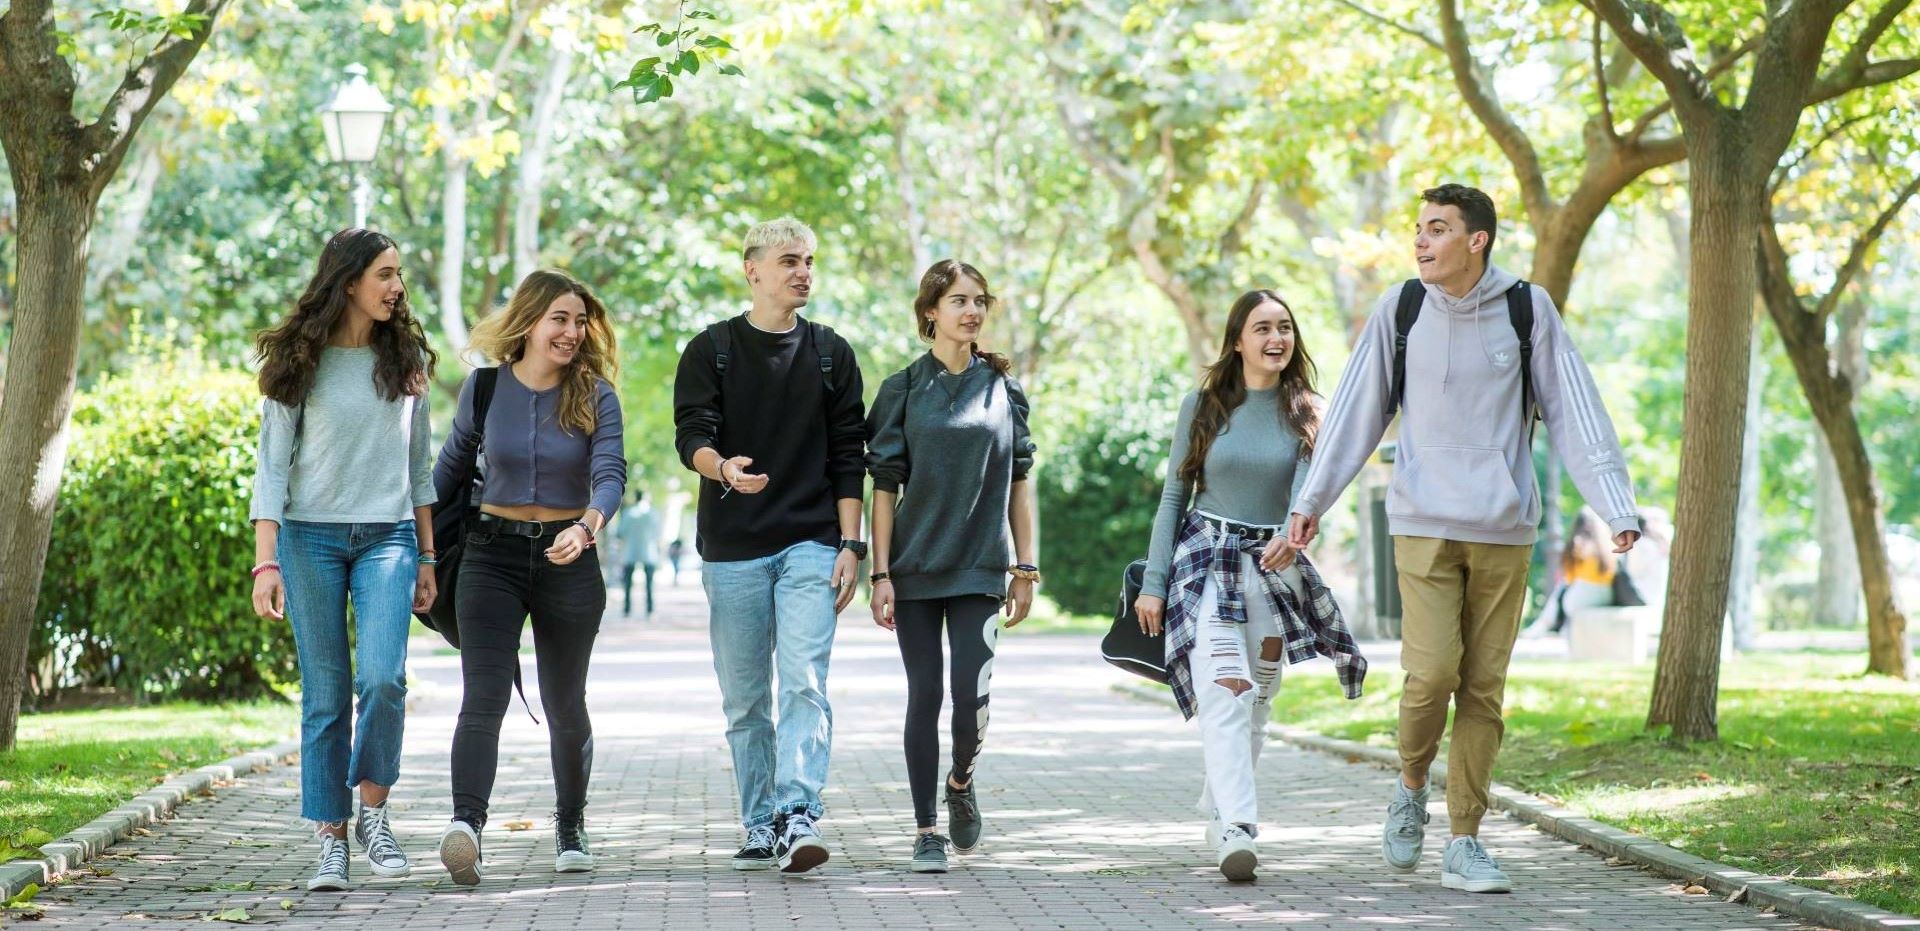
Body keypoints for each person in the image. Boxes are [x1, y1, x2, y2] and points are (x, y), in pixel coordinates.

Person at [1288, 184, 1641, 894]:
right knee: (1431, 676)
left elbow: (1573, 405)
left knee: (1483, 688)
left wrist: (1614, 502)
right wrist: (1310, 502)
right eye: (1418, 228)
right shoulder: (1403, 308)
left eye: (1438, 229)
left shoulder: (1525, 307)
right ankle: (1411, 783)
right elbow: (1356, 410)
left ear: (1476, 240)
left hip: (1504, 528)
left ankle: (1464, 839)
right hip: (1422, 522)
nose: (1421, 241)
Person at [1132, 288, 1365, 881]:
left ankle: (1220, 807)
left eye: (1284, 327)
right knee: (1226, 690)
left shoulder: (1311, 409)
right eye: (1261, 328)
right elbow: (1172, 499)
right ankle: (1238, 826)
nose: (1275, 339)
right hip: (1206, 563)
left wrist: (1295, 530)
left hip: (1273, 567)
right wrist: (1152, 583)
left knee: (1260, 698)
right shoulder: (1204, 405)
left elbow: (1310, 490)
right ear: (1238, 340)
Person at [672, 217, 868, 873]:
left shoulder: (832, 353)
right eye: (789, 260)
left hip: (812, 541)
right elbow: (690, 436)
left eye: (810, 260)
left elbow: (849, 457)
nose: (803, 271)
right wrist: (723, 467)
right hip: (733, 548)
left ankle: (798, 812)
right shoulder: (712, 350)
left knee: (806, 682)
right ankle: (759, 822)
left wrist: (852, 543)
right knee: (747, 698)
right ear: (752, 269)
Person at [248, 228, 437, 891]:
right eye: (385, 274)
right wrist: (264, 562)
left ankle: (373, 812)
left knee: (384, 678)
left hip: (388, 538)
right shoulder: (299, 362)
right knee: (325, 695)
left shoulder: (406, 359)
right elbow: (271, 467)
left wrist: (429, 556)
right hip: (309, 540)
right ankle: (329, 837)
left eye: (398, 275)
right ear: (349, 280)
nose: (396, 287)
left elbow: (420, 470)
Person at [432, 269, 626, 885]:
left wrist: (588, 526)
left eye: (579, 321)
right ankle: (467, 828)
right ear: (530, 322)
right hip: (491, 556)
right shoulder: (484, 389)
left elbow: (611, 472)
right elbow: (447, 471)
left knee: (564, 701)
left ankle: (571, 824)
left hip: (570, 557)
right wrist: (418, 554)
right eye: (559, 319)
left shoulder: (595, 394)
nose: (571, 332)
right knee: (483, 694)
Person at [866, 260, 1039, 873]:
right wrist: (880, 573)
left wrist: (1026, 567)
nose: (970, 311)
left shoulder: (1004, 390)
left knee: (971, 698)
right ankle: (924, 829)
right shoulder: (902, 388)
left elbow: (1020, 483)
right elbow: (883, 487)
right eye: (957, 301)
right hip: (914, 569)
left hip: (981, 568)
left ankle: (961, 782)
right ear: (930, 312)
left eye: (978, 302)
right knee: (926, 695)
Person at [613, 490, 661, 617]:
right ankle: (650, 609)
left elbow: (621, 532)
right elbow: (658, 534)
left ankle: (627, 609)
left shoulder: (628, 513)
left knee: (628, 583)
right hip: (648, 552)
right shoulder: (653, 513)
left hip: (630, 551)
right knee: (649, 583)